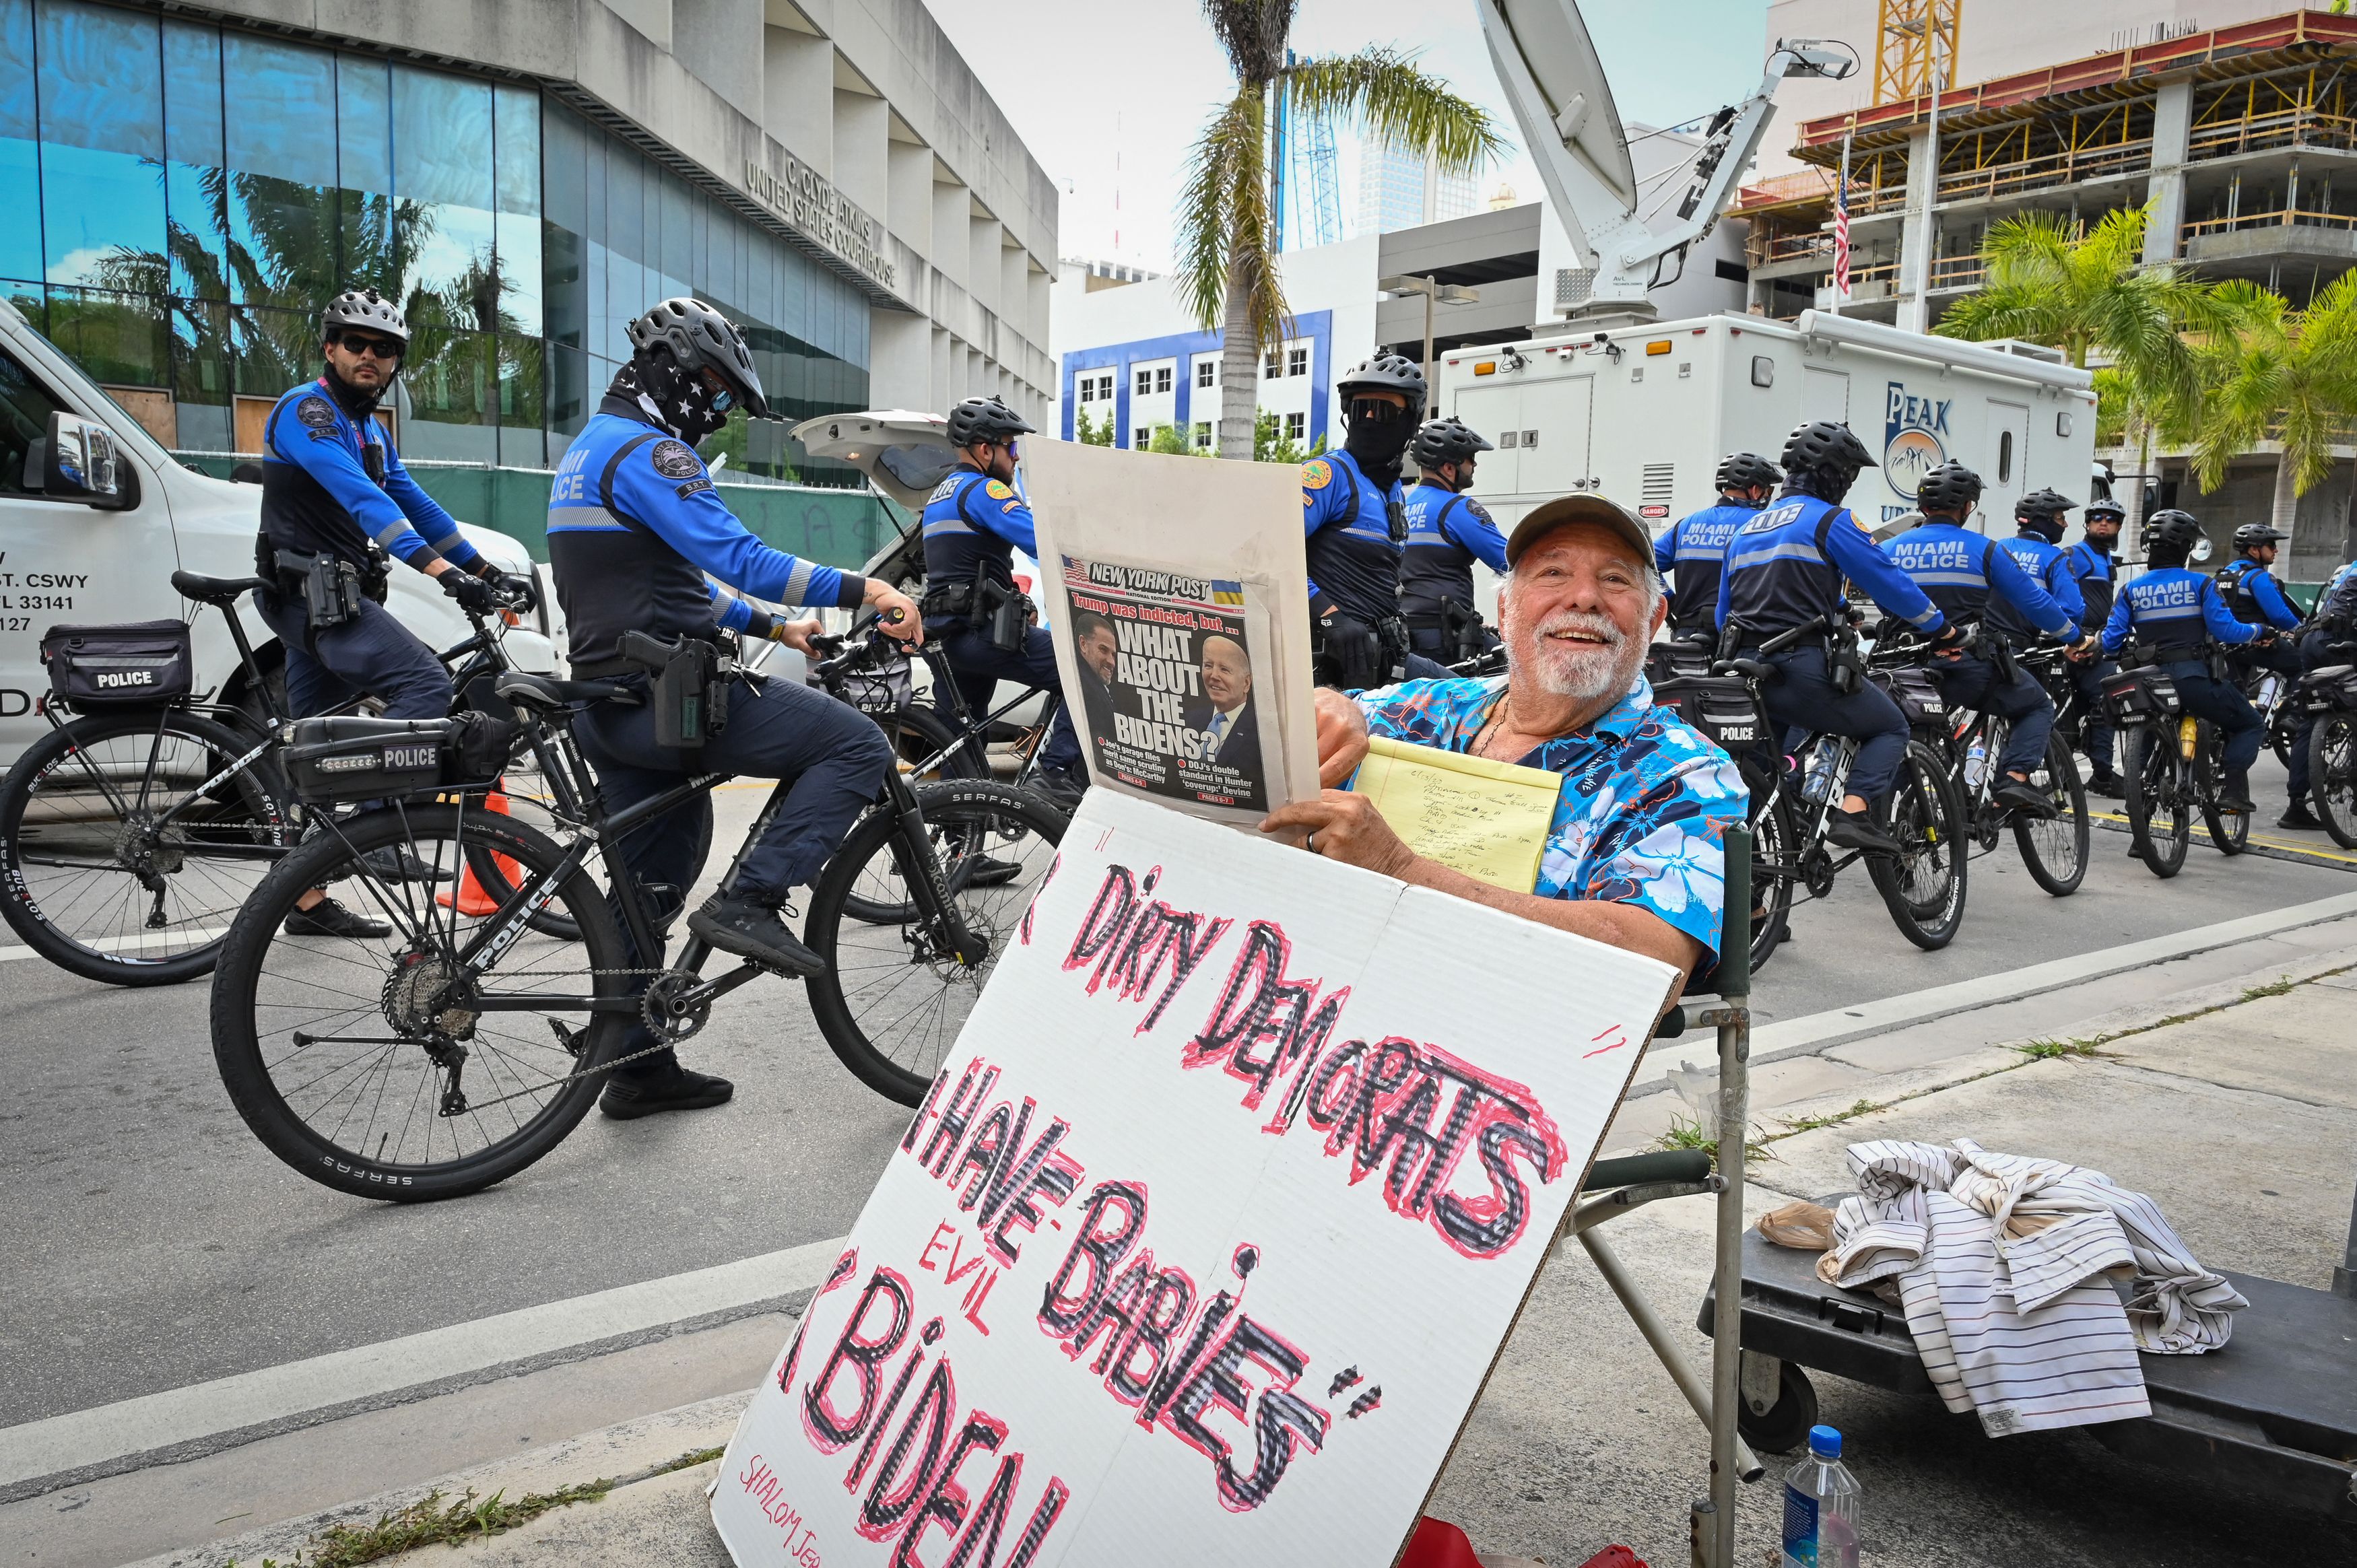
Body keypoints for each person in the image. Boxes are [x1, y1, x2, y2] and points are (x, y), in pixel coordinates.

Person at [547, 296, 922, 1119]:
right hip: (664, 700)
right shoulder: (651, 452)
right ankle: (751, 899)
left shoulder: (590, 450)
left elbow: (660, 587)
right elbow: (741, 558)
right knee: (855, 745)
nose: (717, 412)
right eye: (714, 390)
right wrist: (868, 587)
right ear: (670, 368)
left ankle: (636, 1064)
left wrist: (774, 627)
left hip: (611, 701)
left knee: (654, 877)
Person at [1262, 493, 1747, 989]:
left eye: (1615, 579)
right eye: (1553, 573)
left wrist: (1398, 869)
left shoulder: (1682, 771)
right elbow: (1286, 723)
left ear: (1653, 618)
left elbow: (1651, 964)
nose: (1584, 597)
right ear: (1505, 609)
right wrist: (1328, 704)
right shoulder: (1431, 707)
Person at [256, 286, 535, 939]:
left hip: (328, 597)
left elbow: (418, 508)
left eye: (384, 350)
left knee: (311, 738)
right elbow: (365, 504)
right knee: (425, 685)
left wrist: (484, 571)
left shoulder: (368, 430)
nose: (369, 357)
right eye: (356, 343)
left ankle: (305, 901)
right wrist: (443, 576)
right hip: (310, 598)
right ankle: (379, 827)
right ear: (329, 348)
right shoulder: (310, 413)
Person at [1716, 420, 1956, 852]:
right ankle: (1855, 813)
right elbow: (1889, 583)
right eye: (1849, 475)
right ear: (1833, 474)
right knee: (1889, 726)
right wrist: (1943, 627)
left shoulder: (1745, 531)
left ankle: (1756, 893)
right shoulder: (1830, 520)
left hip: (1744, 675)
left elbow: (1723, 616)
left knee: (1762, 784)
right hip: (1801, 669)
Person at [1886, 466, 2089, 814]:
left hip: (1900, 667)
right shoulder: (1985, 550)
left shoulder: (1887, 548)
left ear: (1922, 506)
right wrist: (2075, 637)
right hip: (1963, 666)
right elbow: (2035, 602)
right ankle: (2013, 779)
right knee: (2038, 705)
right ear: (1967, 507)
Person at [918, 396, 1088, 807]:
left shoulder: (938, 495)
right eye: (1011, 448)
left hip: (946, 638)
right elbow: (1041, 542)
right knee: (1086, 669)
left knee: (961, 736)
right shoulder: (984, 489)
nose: (1016, 460)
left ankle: (963, 854)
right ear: (984, 449)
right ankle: (1058, 777)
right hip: (983, 633)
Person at [2099, 509, 2266, 813]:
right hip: (2193, 681)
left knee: (2148, 739)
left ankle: (2142, 819)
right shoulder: (2201, 584)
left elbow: (2110, 641)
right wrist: (2259, 630)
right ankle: (2232, 790)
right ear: (2186, 548)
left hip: (2148, 685)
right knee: (2251, 724)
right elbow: (2226, 631)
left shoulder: (2130, 589)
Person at [1302, 355, 1455, 688]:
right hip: (1333, 663)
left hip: (1386, 654)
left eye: (1383, 411)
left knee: (1468, 697)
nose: (1369, 419)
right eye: (1360, 410)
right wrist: (1330, 616)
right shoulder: (1328, 475)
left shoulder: (1393, 489)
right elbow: (1270, 552)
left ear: (1410, 422)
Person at [2215, 523, 2317, 826]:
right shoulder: (2257, 577)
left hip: (2227, 646)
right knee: (2303, 666)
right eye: (2272, 545)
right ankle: (2295, 715)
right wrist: (2304, 632)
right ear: (2255, 550)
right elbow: (2280, 615)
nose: (2276, 550)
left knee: (2233, 700)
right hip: (2258, 642)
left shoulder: (2223, 575)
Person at [1398, 416, 1507, 662]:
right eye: (1470, 459)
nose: (1474, 465)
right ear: (1449, 468)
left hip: (1401, 634)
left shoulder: (1399, 504)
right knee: (1510, 671)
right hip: (1446, 638)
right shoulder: (1457, 507)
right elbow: (1510, 562)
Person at [1656, 452, 1780, 637]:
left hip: (1686, 637)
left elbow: (1642, 561)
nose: (1768, 496)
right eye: (1768, 491)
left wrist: (1669, 599)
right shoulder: (1761, 523)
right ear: (1755, 491)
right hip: (1739, 637)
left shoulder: (1686, 525)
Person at [2063, 498, 2126, 796]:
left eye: (2110, 519)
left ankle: (2062, 770)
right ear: (2087, 524)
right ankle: (2102, 774)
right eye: (2097, 518)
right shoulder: (2077, 554)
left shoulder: (2105, 559)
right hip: (2081, 640)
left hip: (2099, 638)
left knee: (2077, 706)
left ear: (2118, 527)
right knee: (2106, 700)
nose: (2104, 522)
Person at [1183, 633, 1259, 776]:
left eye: (1224, 669)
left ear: (1246, 683)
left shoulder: (1260, 729)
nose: (1214, 676)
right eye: (1208, 666)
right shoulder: (1191, 719)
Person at [1070, 607, 1119, 743]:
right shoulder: (1085, 687)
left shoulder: (1094, 685)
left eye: (1113, 655)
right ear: (1083, 644)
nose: (1112, 662)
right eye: (1103, 650)